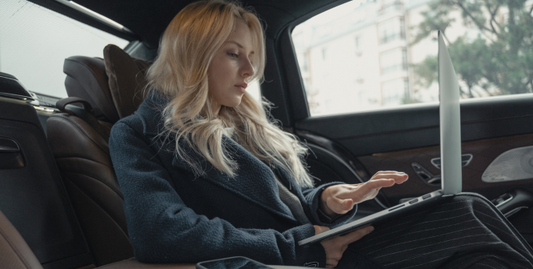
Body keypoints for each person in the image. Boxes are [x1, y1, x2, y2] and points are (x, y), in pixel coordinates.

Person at [109, 1, 533, 268]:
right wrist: (295, 246)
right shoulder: (139, 133)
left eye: (252, 57)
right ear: (191, 56)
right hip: (299, 257)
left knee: (469, 210)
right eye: (233, 54)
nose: (250, 72)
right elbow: (160, 232)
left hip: (322, 242)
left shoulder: (244, 124)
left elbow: (294, 201)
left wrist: (330, 201)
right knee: (462, 213)